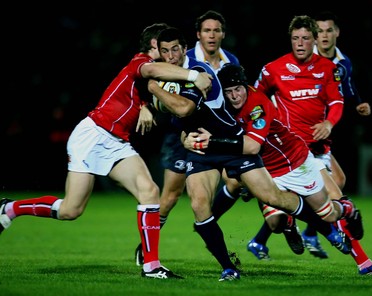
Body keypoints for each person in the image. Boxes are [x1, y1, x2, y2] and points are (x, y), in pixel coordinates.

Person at [0, 22, 214, 280]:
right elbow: (151, 70)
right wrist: (194, 76)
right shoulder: (141, 61)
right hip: (92, 136)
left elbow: (152, 92)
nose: (170, 54)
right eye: (163, 46)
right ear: (153, 46)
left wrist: (146, 105)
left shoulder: (153, 78)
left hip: (117, 142)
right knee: (71, 210)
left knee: (149, 191)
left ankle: (152, 266)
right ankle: (11, 209)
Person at [147, 27, 352, 281]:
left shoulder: (199, 71)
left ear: (185, 48)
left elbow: (185, 108)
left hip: (231, 144)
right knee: (199, 204)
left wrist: (154, 90)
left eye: (175, 48)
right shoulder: (170, 78)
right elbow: (181, 122)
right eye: (165, 51)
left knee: (273, 197)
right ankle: (228, 267)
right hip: (203, 149)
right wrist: (184, 139)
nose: (171, 55)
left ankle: (326, 227)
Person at [252, 15, 372, 275]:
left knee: (334, 201)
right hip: (282, 152)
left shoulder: (328, 68)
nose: (300, 43)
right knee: (276, 222)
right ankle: (290, 224)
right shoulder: (274, 69)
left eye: (305, 38)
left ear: (314, 41)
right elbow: (255, 101)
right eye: (295, 39)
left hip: (312, 152)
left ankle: (365, 263)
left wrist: (329, 123)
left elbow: (336, 102)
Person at [184, 63, 364, 259]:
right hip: (265, 168)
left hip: (293, 162)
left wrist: (212, 141)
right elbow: (194, 123)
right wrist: (186, 140)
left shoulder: (257, 104)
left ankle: (347, 209)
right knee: (274, 223)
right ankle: (288, 225)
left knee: (328, 214)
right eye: (228, 92)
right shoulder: (223, 105)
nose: (234, 96)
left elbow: (252, 146)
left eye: (238, 89)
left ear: (246, 86)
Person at [135, 10, 241, 266]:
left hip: (210, 133)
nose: (212, 35)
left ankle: (209, 225)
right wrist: (143, 106)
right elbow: (139, 85)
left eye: (216, 30)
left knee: (236, 182)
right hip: (179, 134)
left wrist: (155, 90)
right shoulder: (172, 64)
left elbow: (186, 105)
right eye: (207, 30)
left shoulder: (206, 67)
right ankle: (147, 246)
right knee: (170, 196)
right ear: (198, 36)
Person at [300, 10, 372, 275]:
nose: (323, 36)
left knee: (336, 182)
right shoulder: (294, 67)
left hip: (319, 142)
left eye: (328, 30)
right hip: (302, 143)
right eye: (318, 32)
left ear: (336, 32)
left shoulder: (339, 65)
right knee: (338, 199)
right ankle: (361, 259)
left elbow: (342, 94)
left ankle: (307, 229)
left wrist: (355, 104)